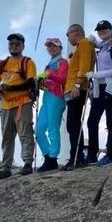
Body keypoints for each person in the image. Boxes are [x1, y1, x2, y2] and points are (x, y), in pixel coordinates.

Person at [0, 33, 37, 179]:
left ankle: (27, 163)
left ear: (23, 46)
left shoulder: (28, 62)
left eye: (17, 44)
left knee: (25, 133)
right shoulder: (2, 63)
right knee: (7, 137)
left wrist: (9, 88)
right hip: (5, 105)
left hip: (22, 103)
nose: (14, 46)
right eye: (11, 44)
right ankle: (6, 167)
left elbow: (30, 83)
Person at [85, 20, 112, 166]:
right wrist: (92, 40)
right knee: (92, 121)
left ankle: (111, 154)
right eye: (99, 29)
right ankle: (92, 155)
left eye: (105, 29)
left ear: (111, 29)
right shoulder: (102, 46)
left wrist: (95, 75)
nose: (102, 31)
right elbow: (98, 43)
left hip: (111, 88)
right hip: (100, 87)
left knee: (111, 121)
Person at [61, 24, 95, 170]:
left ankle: (77, 157)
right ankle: (75, 157)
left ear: (75, 33)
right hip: (73, 89)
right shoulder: (81, 47)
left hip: (77, 89)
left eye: (67, 35)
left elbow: (84, 66)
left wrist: (77, 84)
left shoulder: (85, 44)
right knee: (72, 124)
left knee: (73, 124)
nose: (67, 38)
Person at [35, 37, 69, 172]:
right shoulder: (49, 65)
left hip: (57, 97)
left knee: (53, 128)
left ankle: (53, 158)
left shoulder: (63, 62)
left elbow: (62, 79)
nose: (51, 48)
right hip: (47, 97)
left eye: (54, 46)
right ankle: (48, 156)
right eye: (49, 46)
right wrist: (40, 83)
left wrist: (48, 74)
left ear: (60, 48)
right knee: (38, 130)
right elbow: (49, 81)